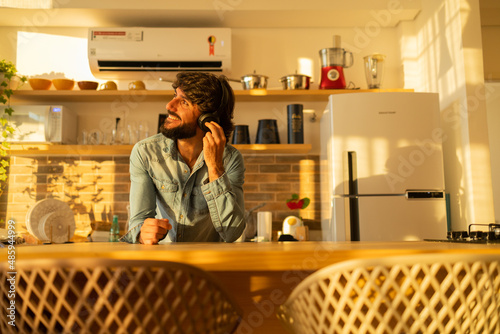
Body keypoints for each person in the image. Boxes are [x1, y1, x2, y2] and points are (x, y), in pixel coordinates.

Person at [121, 72, 246, 244]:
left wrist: (215, 168)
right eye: (175, 96)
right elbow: (138, 223)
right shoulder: (145, 152)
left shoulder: (230, 159)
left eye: (184, 102)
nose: (169, 106)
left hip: (208, 266)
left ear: (207, 119)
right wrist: (143, 234)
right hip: (162, 265)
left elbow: (232, 232)